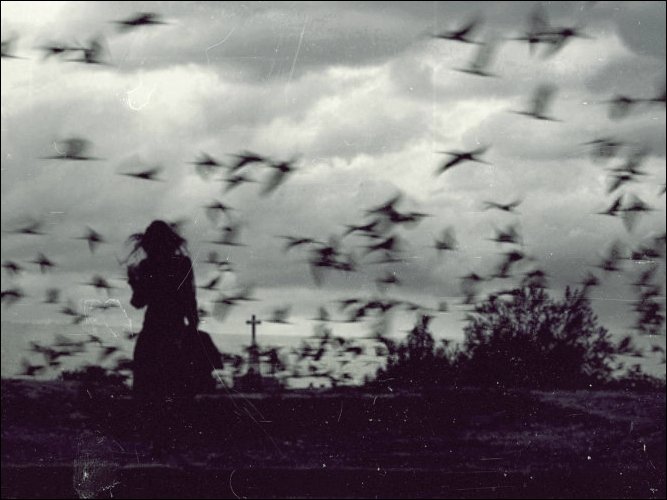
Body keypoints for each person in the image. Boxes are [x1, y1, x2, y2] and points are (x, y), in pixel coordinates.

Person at [125, 220, 215, 456]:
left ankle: (157, 441)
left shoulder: (147, 266)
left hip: (152, 331)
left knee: (148, 387)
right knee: (174, 387)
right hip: (175, 331)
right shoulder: (182, 264)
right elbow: (189, 300)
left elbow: (138, 302)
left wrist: (133, 281)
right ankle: (171, 441)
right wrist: (192, 330)